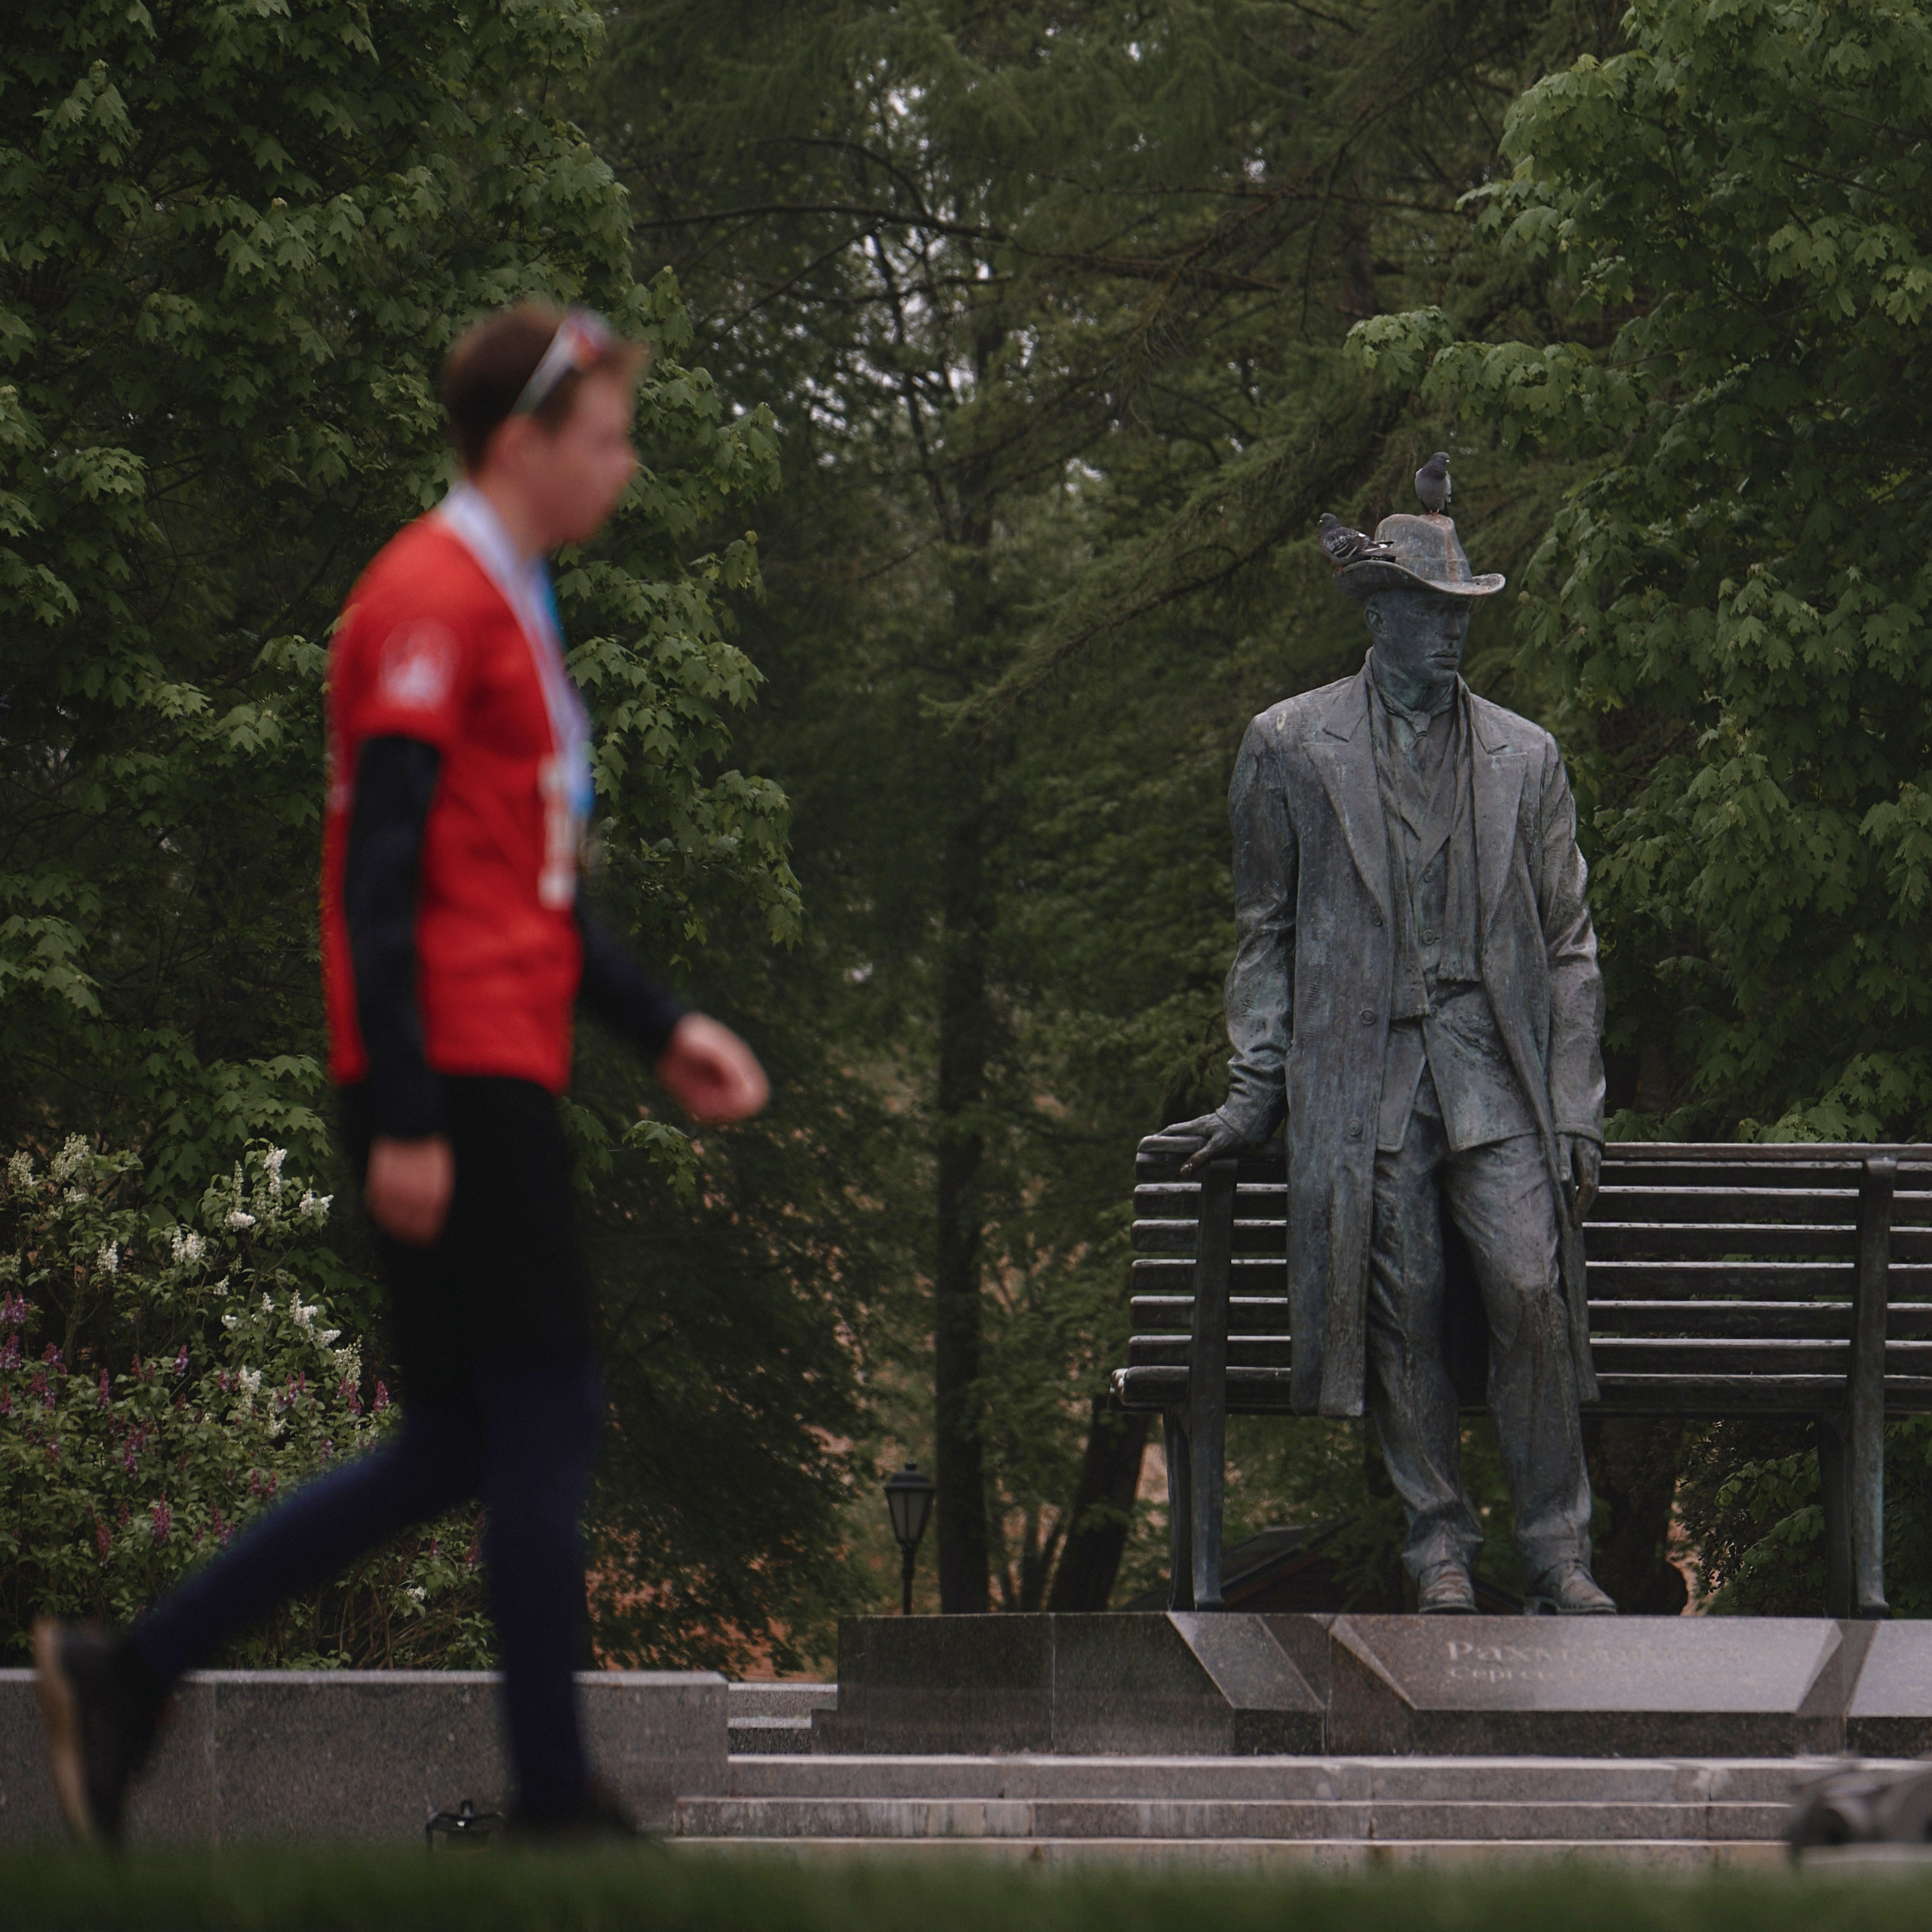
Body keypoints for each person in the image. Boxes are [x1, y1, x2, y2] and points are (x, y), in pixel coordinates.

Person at [35, 303, 769, 1841]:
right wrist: (414, 1109)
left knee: (456, 1442)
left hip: (484, 1062)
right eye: (606, 439)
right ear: (521, 444)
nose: (625, 466)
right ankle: (555, 1802)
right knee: (551, 1405)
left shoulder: (511, 603)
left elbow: (529, 890)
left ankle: (131, 1671)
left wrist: (660, 1026)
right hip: (455, 1076)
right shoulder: (430, 596)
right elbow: (382, 872)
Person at [1170, 489, 1614, 1616]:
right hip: (1362, 1076)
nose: (1452, 628)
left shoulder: (1526, 755)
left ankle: (1558, 1552)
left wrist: (1574, 1106)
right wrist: (1254, 1088)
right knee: (1403, 1305)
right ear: (1378, 614)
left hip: (1491, 1069)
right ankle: (1439, 1549)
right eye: (1429, 609)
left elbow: (1570, 946)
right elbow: (1266, 935)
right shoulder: (1289, 744)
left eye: (1460, 609)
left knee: (1529, 1287)